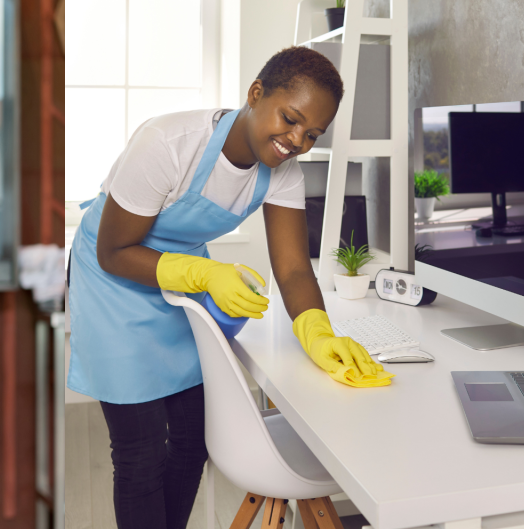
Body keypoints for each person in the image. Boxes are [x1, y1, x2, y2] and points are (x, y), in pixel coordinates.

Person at [67, 46, 392, 529]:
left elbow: (294, 270)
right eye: (290, 118)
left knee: (196, 438)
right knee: (138, 453)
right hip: (112, 279)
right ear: (255, 93)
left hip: (180, 279)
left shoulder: (283, 174)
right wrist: (204, 275)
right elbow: (113, 251)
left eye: (312, 134)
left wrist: (319, 333)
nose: (296, 140)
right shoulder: (169, 142)